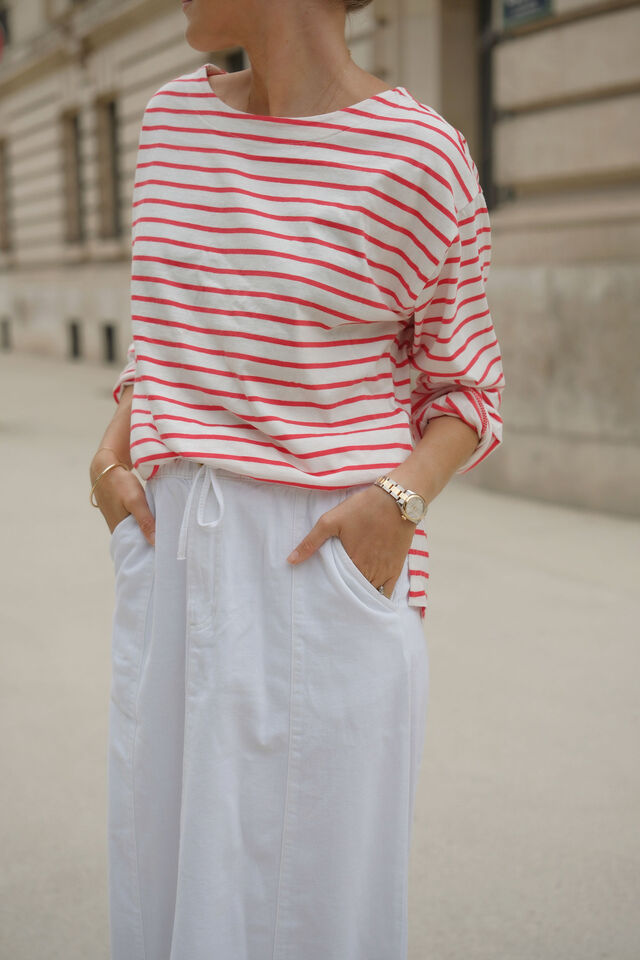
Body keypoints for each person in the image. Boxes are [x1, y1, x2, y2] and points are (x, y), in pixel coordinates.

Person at [89, 1, 505, 957]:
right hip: (171, 557)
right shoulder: (170, 124)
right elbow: (157, 340)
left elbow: (467, 387)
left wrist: (394, 508)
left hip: (327, 558)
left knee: (315, 904)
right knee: (163, 879)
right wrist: (112, 460)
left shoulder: (422, 157)